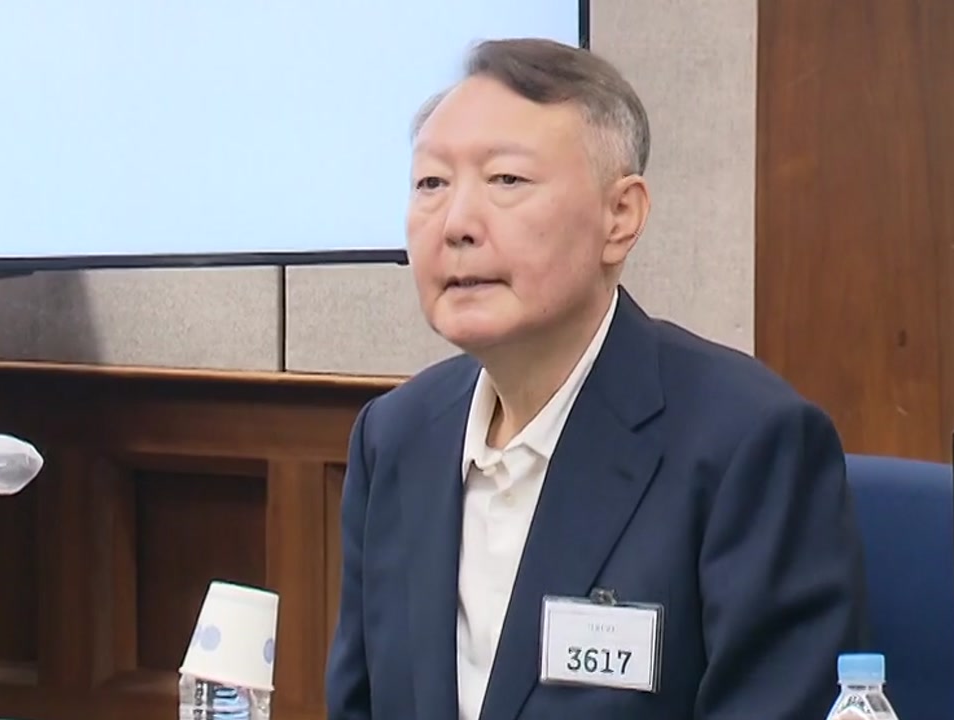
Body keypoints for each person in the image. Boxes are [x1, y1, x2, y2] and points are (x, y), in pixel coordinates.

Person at [325, 37, 868, 720]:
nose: (457, 223)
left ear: (621, 217)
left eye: (506, 181)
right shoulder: (396, 436)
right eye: (432, 184)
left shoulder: (749, 444)